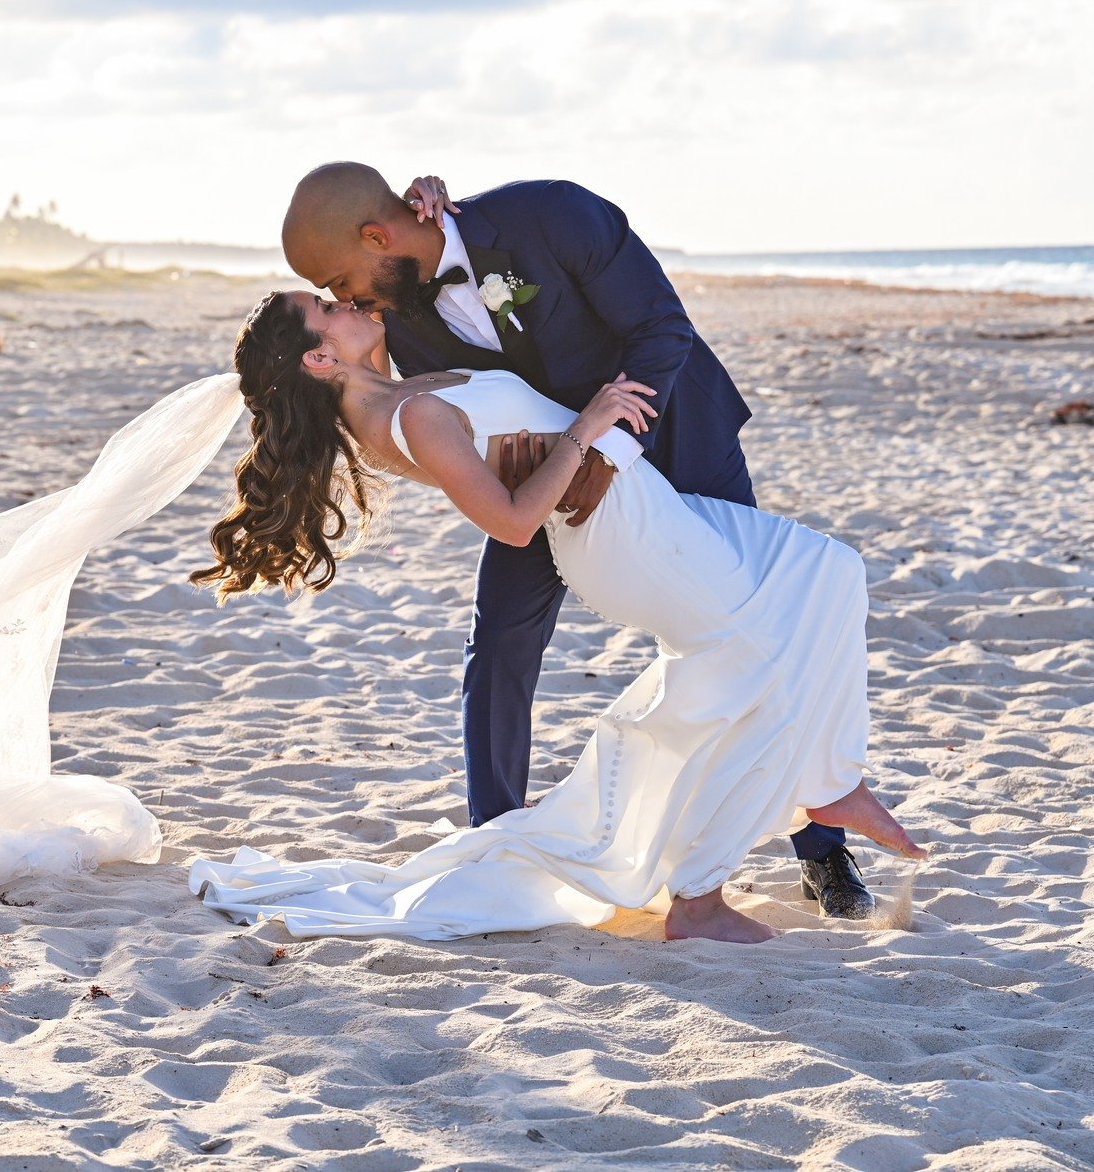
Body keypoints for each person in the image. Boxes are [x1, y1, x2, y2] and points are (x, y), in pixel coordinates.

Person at [185, 287, 924, 942]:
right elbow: (510, 522)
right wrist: (589, 422)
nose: (340, 301)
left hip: (648, 503)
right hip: (622, 536)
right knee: (754, 670)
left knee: (833, 571)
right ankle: (699, 896)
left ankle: (828, 781)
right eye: (325, 309)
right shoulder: (406, 416)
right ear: (319, 360)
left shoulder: (400, 391)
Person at [271, 162, 877, 918]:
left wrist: (604, 452)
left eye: (343, 276)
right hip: (540, 482)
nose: (347, 297)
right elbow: (387, 403)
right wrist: (541, 466)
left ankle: (823, 848)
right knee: (498, 643)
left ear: (376, 235)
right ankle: (494, 846)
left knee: (762, 616)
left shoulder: (551, 216)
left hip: (672, 436)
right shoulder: (392, 309)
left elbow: (663, 329)